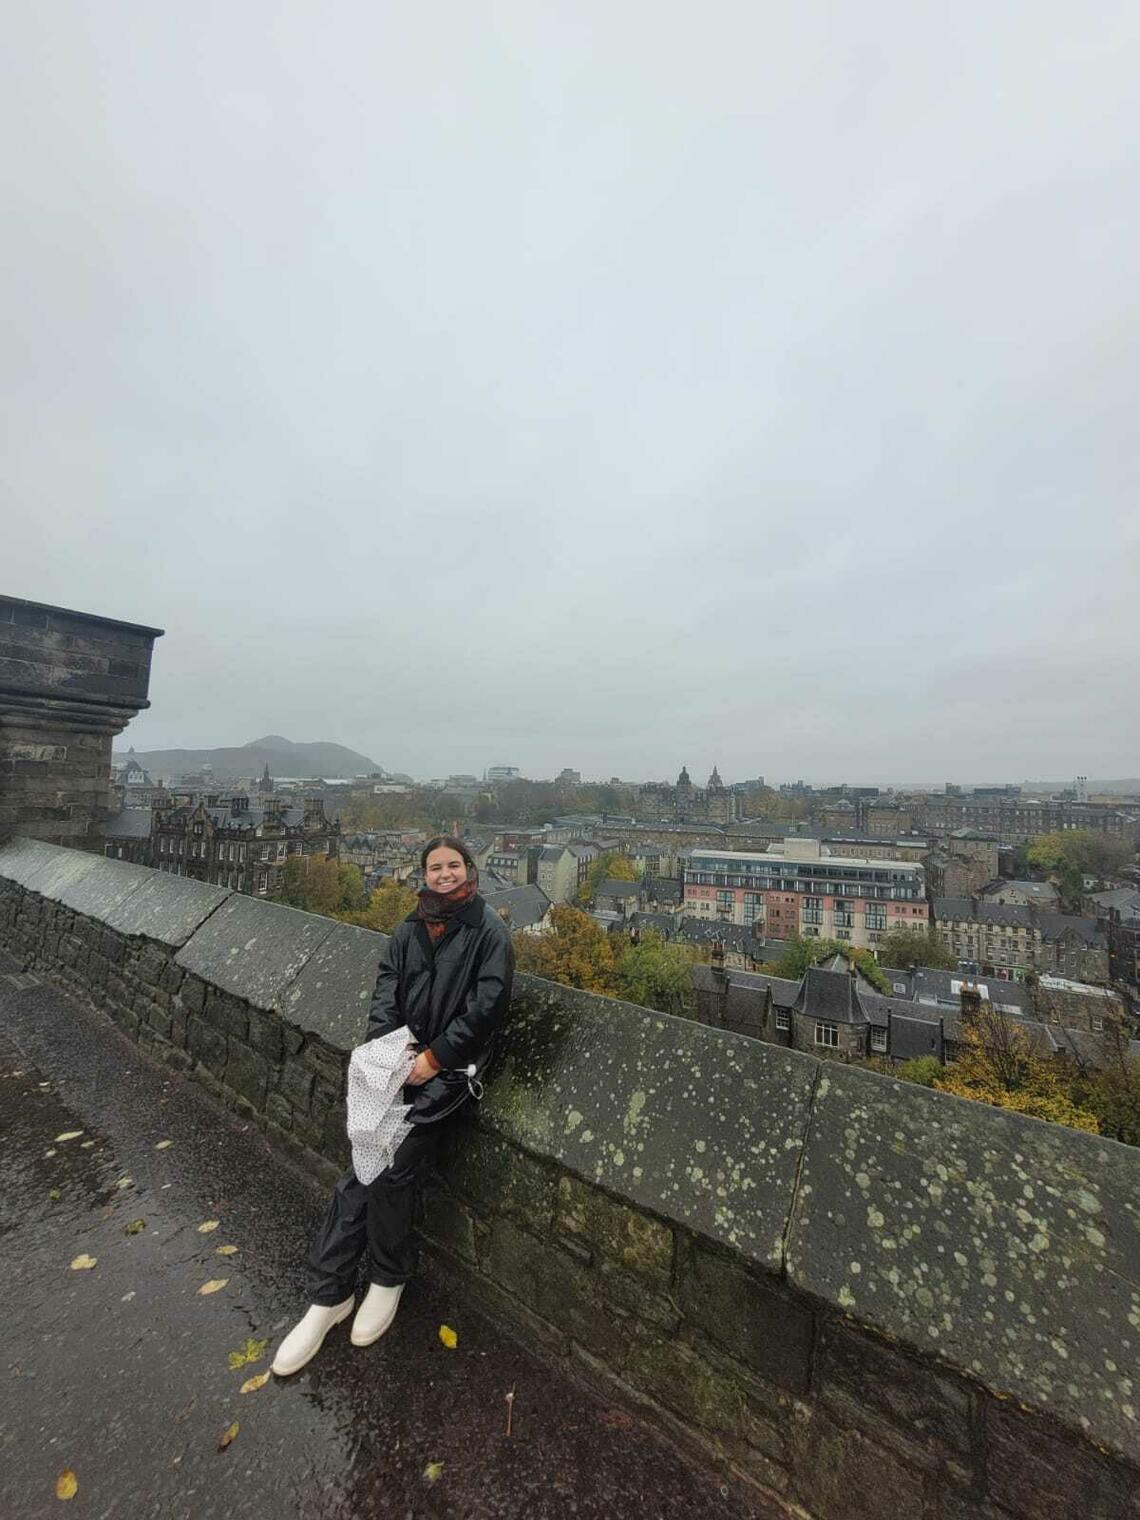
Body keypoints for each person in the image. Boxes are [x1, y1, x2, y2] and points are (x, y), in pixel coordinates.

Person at [271, 836, 514, 1376]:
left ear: (468, 871)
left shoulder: (489, 931)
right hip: (397, 1063)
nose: (444, 874)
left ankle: (386, 1277)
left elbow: (488, 1005)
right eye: (435, 867)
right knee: (362, 1162)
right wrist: (391, 1046)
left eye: (453, 865)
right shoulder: (408, 928)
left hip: (450, 1076)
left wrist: (434, 1057)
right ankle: (328, 1294)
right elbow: (386, 988)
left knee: (396, 1167)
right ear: (424, 874)